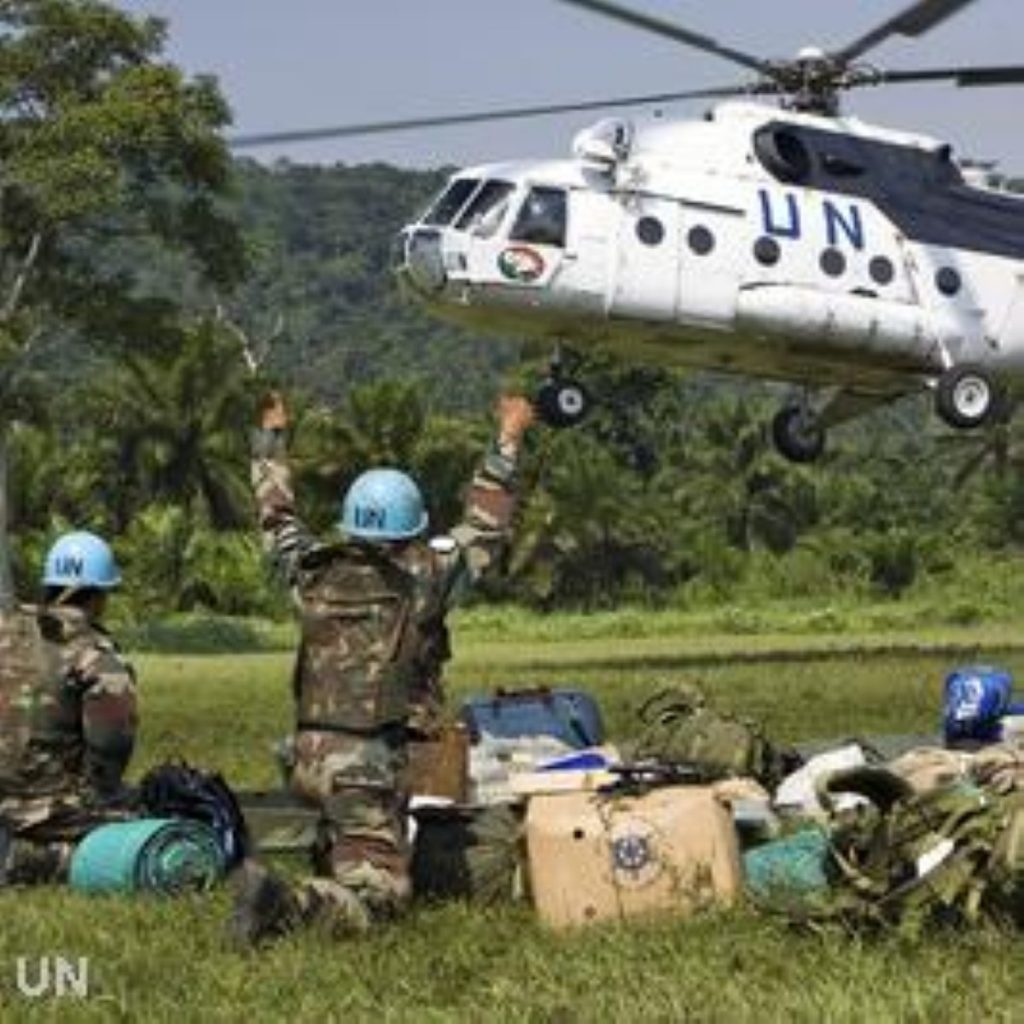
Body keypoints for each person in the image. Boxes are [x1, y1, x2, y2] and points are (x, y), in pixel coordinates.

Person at [232, 390, 536, 946]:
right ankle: (288, 901)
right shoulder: (426, 575)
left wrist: (271, 438)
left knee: (359, 827)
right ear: (412, 526)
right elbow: (485, 524)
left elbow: (275, 515)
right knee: (385, 899)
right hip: (363, 767)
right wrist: (508, 439)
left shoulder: (310, 569)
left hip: (303, 757)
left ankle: (336, 853)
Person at [0, 531, 138, 884]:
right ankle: (33, 861)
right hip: (49, 811)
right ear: (100, 595)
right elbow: (111, 748)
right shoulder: (95, 654)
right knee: (167, 818)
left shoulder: (7, 629)